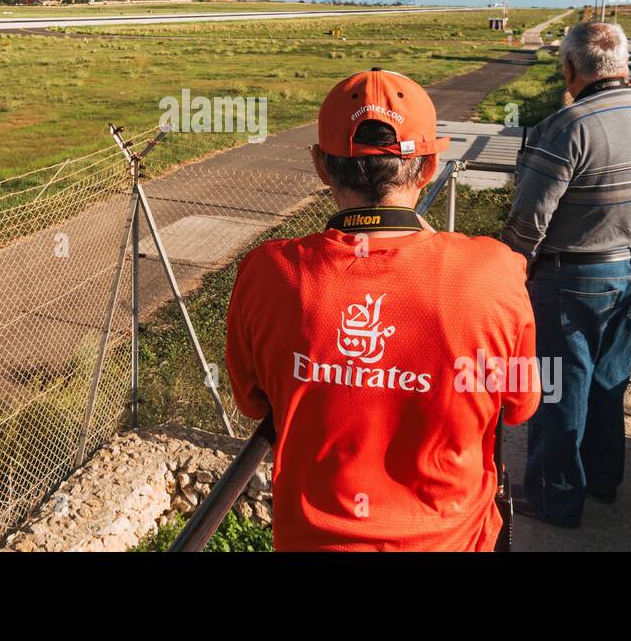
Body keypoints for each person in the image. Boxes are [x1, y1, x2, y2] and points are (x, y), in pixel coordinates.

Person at [224, 68, 541, 551]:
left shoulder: (269, 273)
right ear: (431, 166)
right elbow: (519, 406)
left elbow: (253, 402)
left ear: (321, 166)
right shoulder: (494, 274)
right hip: (453, 541)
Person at [500, 22, 631, 529]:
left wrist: (510, 268)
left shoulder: (565, 126)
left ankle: (553, 498)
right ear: (624, 64)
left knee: (559, 389)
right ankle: (603, 480)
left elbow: (527, 220)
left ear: (569, 68)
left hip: (571, 278)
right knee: (608, 379)